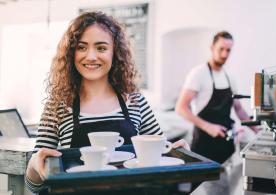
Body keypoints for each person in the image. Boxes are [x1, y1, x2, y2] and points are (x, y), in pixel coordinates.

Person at [25, 11, 188, 194]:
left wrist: (179, 153)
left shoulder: (135, 101)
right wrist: (33, 165)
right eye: (82, 47)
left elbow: (160, 156)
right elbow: (34, 186)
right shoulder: (58, 106)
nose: (91, 56)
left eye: (101, 48)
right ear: (72, 53)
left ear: (115, 53)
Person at [175, 31, 258, 194]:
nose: (224, 54)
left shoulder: (230, 77)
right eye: (221, 49)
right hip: (204, 146)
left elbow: (238, 108)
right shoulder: (198, 74)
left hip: (226, 146)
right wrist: (209, 127)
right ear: (212, 48)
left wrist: (256, 128)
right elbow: (181, 108)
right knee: (201, 188)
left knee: (225, 188)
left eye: (228, 50)